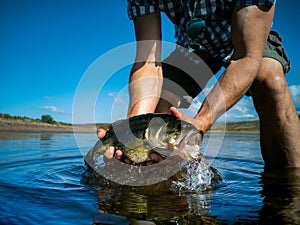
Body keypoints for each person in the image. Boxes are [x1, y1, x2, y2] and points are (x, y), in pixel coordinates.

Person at [98, 0, 300, 169]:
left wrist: (201, 123)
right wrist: (134, 127)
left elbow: (246, 57)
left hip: (247, 42)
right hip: (193, 48)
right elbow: (147, 61)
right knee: (161, 105)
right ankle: (159, 185)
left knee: (270, 81)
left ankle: (289, 193)